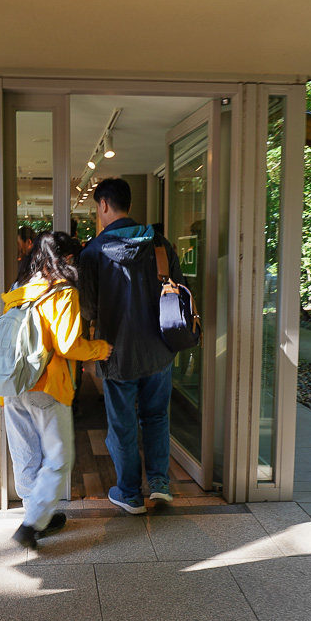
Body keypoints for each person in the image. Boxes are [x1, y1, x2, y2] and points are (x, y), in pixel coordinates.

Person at [78, 178, 186, 515]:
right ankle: (159, 484)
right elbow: (178, 290)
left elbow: (87, 309)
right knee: (156, 418)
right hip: (159, 349)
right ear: (128, 205)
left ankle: (129, 493)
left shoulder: (93, 252)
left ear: (105, 206)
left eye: (98, 207)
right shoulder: (159, 244)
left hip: (116, 352)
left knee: (123, 424)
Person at [2, 231, 112, 548]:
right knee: (59, 457)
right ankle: (32, 523)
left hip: (12, 384)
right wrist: (100, 349)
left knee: (26, 455)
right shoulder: (62, 292)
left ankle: (36, 518)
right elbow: (68, 344)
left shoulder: (19, 287)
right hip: (46, 386)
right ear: (65, 259)